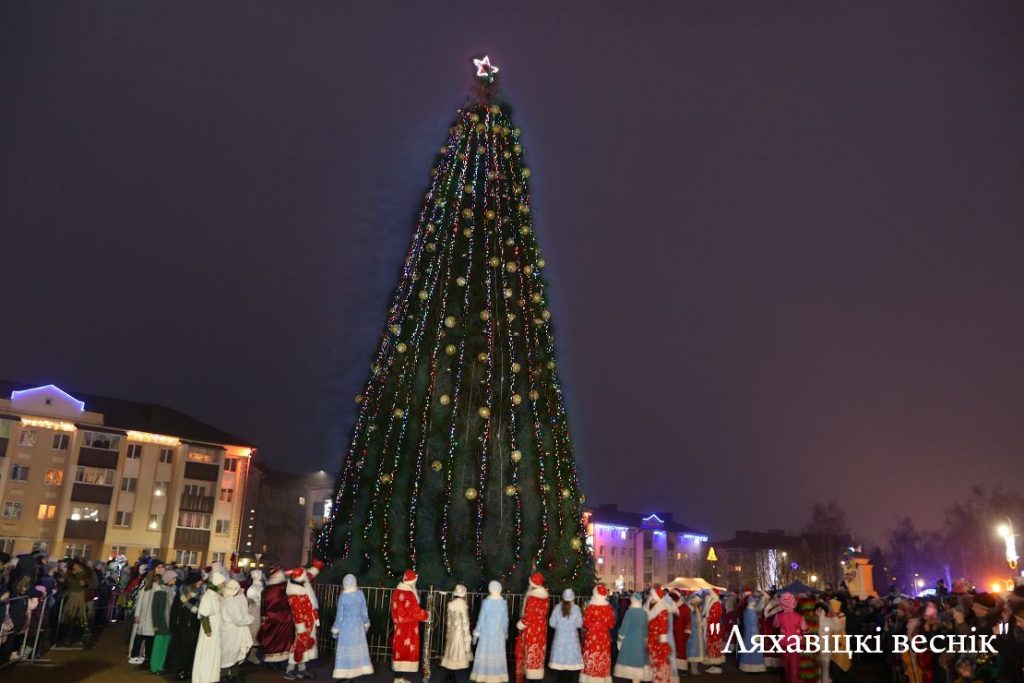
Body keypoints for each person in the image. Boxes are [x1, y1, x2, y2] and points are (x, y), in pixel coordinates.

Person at [331, 574, 374, 681]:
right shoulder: (360, 594)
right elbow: (364, 611)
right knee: (356, 649)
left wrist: (335, 629)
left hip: (346, 627)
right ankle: (353, 674)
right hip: (357, 626)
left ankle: (346, 674)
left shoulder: (342, 597)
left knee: (346, 650)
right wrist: (366, 623)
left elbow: (339, 616)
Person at [390, 569, 430, 683]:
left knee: (400, 650)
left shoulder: (397, 591)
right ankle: (398, 678)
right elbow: (415, 612)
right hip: (408, 628)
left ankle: (399, 678)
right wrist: (426, 615)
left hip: (399, 627)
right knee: (405, 651)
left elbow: (394, 610)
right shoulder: (408, 594)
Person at [165, 570, 203, 681]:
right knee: (183, 648)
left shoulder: (200, 592)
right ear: (194, 581)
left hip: (194, 625)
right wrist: (173, 624)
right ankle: (181, 670)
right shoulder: (182, 591)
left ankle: (188, 669)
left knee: (191, 648)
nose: (201, 582)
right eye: (199, 580)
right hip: (183, 625)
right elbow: (175, 609)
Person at [471, 580, 509, 683]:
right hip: (498, 635)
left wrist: (476, 633)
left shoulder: (486, 603)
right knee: (497, 655)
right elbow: (505, 620)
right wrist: (505, 633)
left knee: (485, 654)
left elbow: (481, 619)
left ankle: (483, 675)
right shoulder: (503, 603)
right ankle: (496, 676)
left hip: (486, 634)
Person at [285, 567, 320, 680]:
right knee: (298, 646)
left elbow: (309, 574)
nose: (306, 577)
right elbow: (297, 612)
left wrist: (317, 567)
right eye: (304, 576)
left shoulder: (302, 582)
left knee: (304, 645)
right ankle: (289, 670)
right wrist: (301, 627)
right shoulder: (295, 594)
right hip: (302, 624)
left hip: (309, 621)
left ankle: (302, 669)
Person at [515, 572, 550, 683]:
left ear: (532, 582)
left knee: (530, 654)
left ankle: (532, 679)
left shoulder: (532, 597)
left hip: (531, 630)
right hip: (541, 629)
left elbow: (529, 616)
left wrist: (520, 624)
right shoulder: (546, 597)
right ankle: (537, 679)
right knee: (539, 654)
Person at [193, 571, 226, 683]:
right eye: (222, 582)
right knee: (206, 653)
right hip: (210, 630)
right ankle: (203, 678)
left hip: (217, 629)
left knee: (214, 653)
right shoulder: (208, 595)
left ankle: (212, 677)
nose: (223, 585)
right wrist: (207, 629)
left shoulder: (217, 594)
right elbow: (203, 614)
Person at [259, 566, 295, 667]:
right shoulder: (286, 587)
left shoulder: (267, 590)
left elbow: (263, 606)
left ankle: (270, 661)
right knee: (282, 640)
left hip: (271, 617)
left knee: (271, 638)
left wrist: (263, 618)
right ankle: (280, 661)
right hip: (285, 617)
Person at [220, 579, 254, 682]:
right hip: (232, 633)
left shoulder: (229, 599)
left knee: (234, 654)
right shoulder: (231, 602)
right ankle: (225, 677)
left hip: (230, 632)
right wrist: (250, 619)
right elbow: (238, 620)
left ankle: (234, 675)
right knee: (230, 655)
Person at [613, 592, 649, 683]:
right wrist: (645, 639)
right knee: (638, 662)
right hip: (640, 640)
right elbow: (645, 629)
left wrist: (620, 637)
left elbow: (624, 627)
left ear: (632, 601)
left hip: (629, 640)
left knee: (630, 661)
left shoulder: (629, 612)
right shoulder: (644, 613)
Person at [581, 585, 615, 683]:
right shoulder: (609, 608)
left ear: (595, 594)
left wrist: (594, 625)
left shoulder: (591, 607)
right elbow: (612, 623)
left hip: (592, 636)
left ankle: (590, 677)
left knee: (592, 655)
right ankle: (602, 677)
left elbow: (585, 623)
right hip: (604, 637)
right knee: (603, 656)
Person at [550, 588, 584, 683]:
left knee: (559, 670)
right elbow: (579, 624)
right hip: (572, 642)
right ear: (573, 598)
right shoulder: (576, 608)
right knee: (571, 670)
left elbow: (552, 623)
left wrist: (560, 627)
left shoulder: (557, 608)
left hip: (559, 641)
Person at [441, 584, 472, 682]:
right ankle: (449, 677)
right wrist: (467, 637)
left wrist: (448, 631)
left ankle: (450, 677)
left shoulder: (451, 604)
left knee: (451, 654)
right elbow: (465, 623)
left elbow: (449, 620)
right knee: (455, 655)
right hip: (459, 633)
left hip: (452, 631)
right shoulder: (463, 605)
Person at [149, 569, 178, 674]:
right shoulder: (160, 591)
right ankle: (154, 667)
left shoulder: (170, 591)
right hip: (161, 623)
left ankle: (160, 666)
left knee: (164, 646)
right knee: (158, 646)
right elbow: (155, 609)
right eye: (173, 578)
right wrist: (156, 624)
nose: (175, 580)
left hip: (168, 622)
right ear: (168, 579)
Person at [772, 593, 806, 683]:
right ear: (794, 603)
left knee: (786, 665)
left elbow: (775, 625)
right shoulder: (799, 617)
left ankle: (788, 680)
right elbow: (805, 629)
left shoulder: (778, 616)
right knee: (794, 665)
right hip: (796, 643)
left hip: (784, 643)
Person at [647, 588, 673, 683]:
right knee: (654, 660)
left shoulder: (661, 609)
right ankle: (656, 678)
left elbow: (663, 627)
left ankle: (662, 679)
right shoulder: (655, 608)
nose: (650, 599)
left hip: (658, 640)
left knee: (660, 661)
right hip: (653, 639)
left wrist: (662, 642)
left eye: (652, 597)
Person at [737, 592, 766, 673]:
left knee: (747, 648)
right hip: (753, 632)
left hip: (747, 632)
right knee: (754, 649)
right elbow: (754, 624)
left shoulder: (746, 611)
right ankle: (755, 666)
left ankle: (746, 666)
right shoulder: (752, 612)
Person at [702, 591, 724, 674]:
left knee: (715, 646)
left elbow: (714, 617)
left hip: (714, 629)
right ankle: (713, 665)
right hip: (711, 628)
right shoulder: (711, 602)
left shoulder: (716, 603)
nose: (707, 595)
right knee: (711, 646)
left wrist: (705, 620)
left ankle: (717, 666)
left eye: (708, 594)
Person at [246, 569, 265, 664]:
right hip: (257, 611)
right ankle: (252, 656)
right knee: (256, 634)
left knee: (252, 633)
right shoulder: (259, 588)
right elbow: (262, 601)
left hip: (251, 610)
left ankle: (251, 655)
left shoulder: (251, 587)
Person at [685, 593, 705, 676]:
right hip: (693, 634)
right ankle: (693, 669)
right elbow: (691, 622)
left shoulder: (697, 610)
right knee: (693, 652)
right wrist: (699, 624)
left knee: (696, 651)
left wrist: (702, 623)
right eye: (697, 603)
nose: (698, 604)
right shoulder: (691, 611)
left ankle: (695, 668)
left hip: (697, 634)